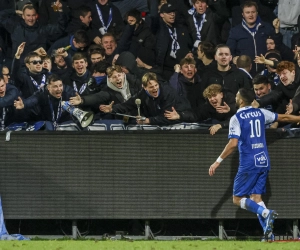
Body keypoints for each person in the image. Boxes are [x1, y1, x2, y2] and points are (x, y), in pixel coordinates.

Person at [208, 88, 300, 240]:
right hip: (263, 160)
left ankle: (266, 213)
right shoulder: (261, 113)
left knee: (237, 199)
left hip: (249, 162)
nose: (235, 97)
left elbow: (233, 143)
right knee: (256, 198)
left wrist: (217, 162)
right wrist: (298, 119)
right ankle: (269, 235)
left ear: (241, 100)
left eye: (237, 96)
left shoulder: (237, 117)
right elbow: (283, 117)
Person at [99, 72, 192, 126]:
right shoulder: (142, 94)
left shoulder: (167, 93)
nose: (155, 88)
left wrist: (148, 121)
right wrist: (112, 109)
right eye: (151, 87)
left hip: (183, 116)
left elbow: (168, 117)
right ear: (144, 87)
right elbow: (128, 105)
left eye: (156, 85)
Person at [226, 1, 274, 76]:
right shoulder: (235, 31)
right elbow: (229, 51)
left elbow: (275, 48)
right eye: (247, 12)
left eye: (253, 12)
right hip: (244, 74)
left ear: (257, 13)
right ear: (243, 14)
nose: (251, 15)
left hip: (265, 73)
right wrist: (234, 58)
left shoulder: (267, 28)